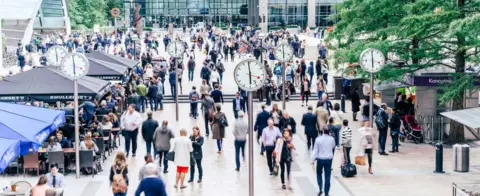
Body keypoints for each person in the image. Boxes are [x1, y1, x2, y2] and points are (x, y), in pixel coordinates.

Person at [311, 127, 335, 196]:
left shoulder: (318, 139)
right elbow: (333, 146)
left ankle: (320, 188)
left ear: (323, 131)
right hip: (328, 159)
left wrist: (312, 160)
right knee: (327, 176)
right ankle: (326, 192)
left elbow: (315, 150)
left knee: (319, 173)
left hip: (320, 159)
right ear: (329, 132)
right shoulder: (332, 139)